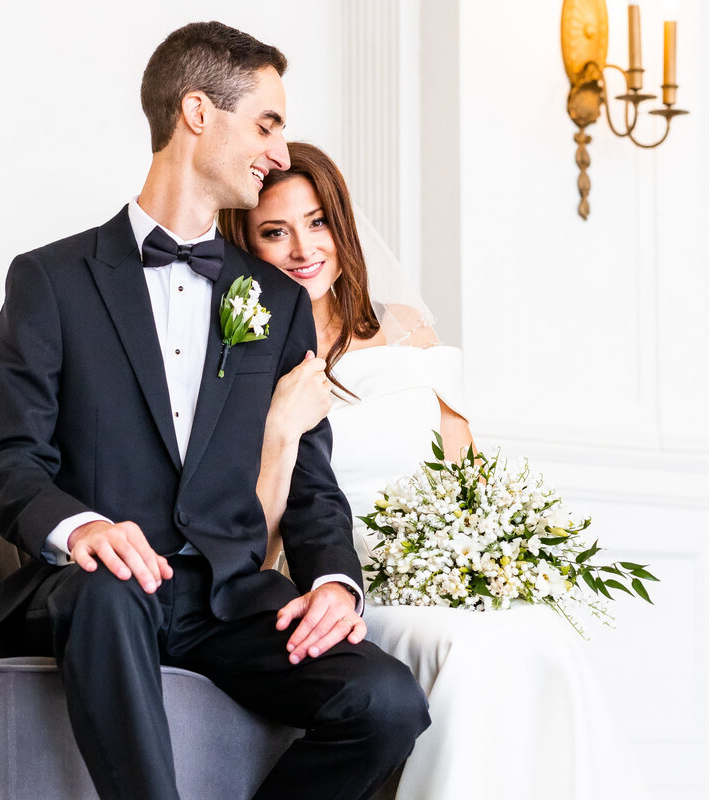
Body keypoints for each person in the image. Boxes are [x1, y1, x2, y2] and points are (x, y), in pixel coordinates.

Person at [0, 22, 429, 800]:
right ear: (197, 113)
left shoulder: (275, 301)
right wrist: (84, 529)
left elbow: (312, 487)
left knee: (387, 703)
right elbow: (7, 461)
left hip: (227, 602)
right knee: (112, 590)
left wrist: (334, 586)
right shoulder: (50, 281)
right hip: (99, 591)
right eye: (267, 124)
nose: (279, 153)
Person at [220, 141, 650, 800]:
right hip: (349, 587)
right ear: (247, 247)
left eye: (318, 222)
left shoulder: (404, 328)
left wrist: (481, 554)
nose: (304, 247)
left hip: (435, 573)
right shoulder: (244, 362)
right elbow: (257, 542)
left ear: (342, 225)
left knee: (543, 636)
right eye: (275, 232)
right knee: (473, 652)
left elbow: (463, 472)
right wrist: (281, 427)